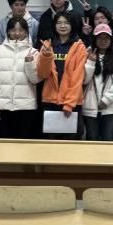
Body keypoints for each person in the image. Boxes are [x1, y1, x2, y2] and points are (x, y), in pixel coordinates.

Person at [0, 17, 41, 139]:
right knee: (3, 144)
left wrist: (29, 63)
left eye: (21, 30)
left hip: (26, 108)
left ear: (26, 32)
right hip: (2, 107)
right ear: (8, 31)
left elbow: (36, 80)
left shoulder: (34, 52)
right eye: (13, 30)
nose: (17, 33)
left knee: (24, 144)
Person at [37, 12, 87, 140]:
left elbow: (77, 78)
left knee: (71, 142)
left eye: (66, 23)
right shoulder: (47, 45)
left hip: (71, 102)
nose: (62, 26)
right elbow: (43, 74)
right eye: (59, 23)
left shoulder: (79, 47)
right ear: (54, 25)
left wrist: (69, 104)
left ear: (72, 25)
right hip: (50, 101)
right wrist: (46, 56)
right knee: (51, 142)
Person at [82, 24, 113, 141]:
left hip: (111, 107)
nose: (103, 41)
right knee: (92, 138)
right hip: (90, 106)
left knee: (108, 139)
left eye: (106, 38)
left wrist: (106, 100)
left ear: (111, 39)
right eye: (100, 38)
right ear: (94, 39)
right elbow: (84, 80)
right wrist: (91, 62)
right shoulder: (86, 53)